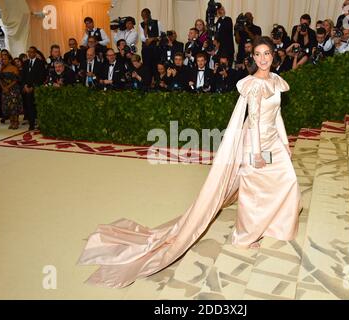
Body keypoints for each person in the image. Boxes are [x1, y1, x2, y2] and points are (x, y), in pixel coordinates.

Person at [77, 36, 301, 288]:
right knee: (254, 188)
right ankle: (244, 236)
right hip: (255, 144)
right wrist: (257, 153)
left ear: (274, 55)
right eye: (258, 54)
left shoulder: (276, 81)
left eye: (266, 54)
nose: (262, 59)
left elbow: (277, 116)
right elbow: (256, 120)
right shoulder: (253, 85)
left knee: (287, 180)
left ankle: (275, 224)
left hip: (273, 142)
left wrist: (284, 143)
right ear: (253, 57)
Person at [22, 46, 47, 131]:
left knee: (37, 106)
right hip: (27, 88)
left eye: (32, 52)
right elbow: (23, 75)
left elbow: (41, 77)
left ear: (35, 53)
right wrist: (25, 85)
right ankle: (31, 124)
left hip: (36, 88)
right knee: (29, 106)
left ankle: (40, 123)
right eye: (29, 52)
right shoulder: (25, 63)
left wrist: (33, 86)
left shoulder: (40, 63)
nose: (30, 53)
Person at [0, 53, 23, 130]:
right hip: (5, 90)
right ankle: (11, 122)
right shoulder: (2, 68)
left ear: (9, 60)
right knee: (8, 106)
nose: (3, 61)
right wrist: (3, 87)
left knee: (14, 106)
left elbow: (16, 80)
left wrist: (8, 87)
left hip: (13, 89)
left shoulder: (14, 68)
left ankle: (16, 122)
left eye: (5, 59)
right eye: (2, 59)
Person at [139, 8, 164, 78]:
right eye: (142, 16)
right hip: (146, 49)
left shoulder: (157, 22)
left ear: (149, 15)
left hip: (156, 48)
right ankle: (148, 83)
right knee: (147, 66)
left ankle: (157, 82)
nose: (144, 18)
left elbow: (161, 36)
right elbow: (143, 38)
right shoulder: (141, 25)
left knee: (155, 66)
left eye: (145, 15)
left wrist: (152, 39)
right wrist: (146, 25)